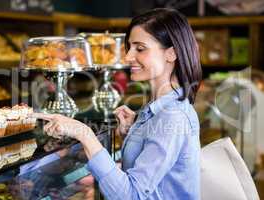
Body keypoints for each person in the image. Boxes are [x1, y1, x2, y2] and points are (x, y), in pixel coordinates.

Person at [33, 8, 202, 200]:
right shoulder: (155, 109)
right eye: (129, 47)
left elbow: (132, 195)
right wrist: (133, 134)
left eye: (140, 48)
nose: (128, 57)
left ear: (171, 53)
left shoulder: (172, 116)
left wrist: (85, 134)